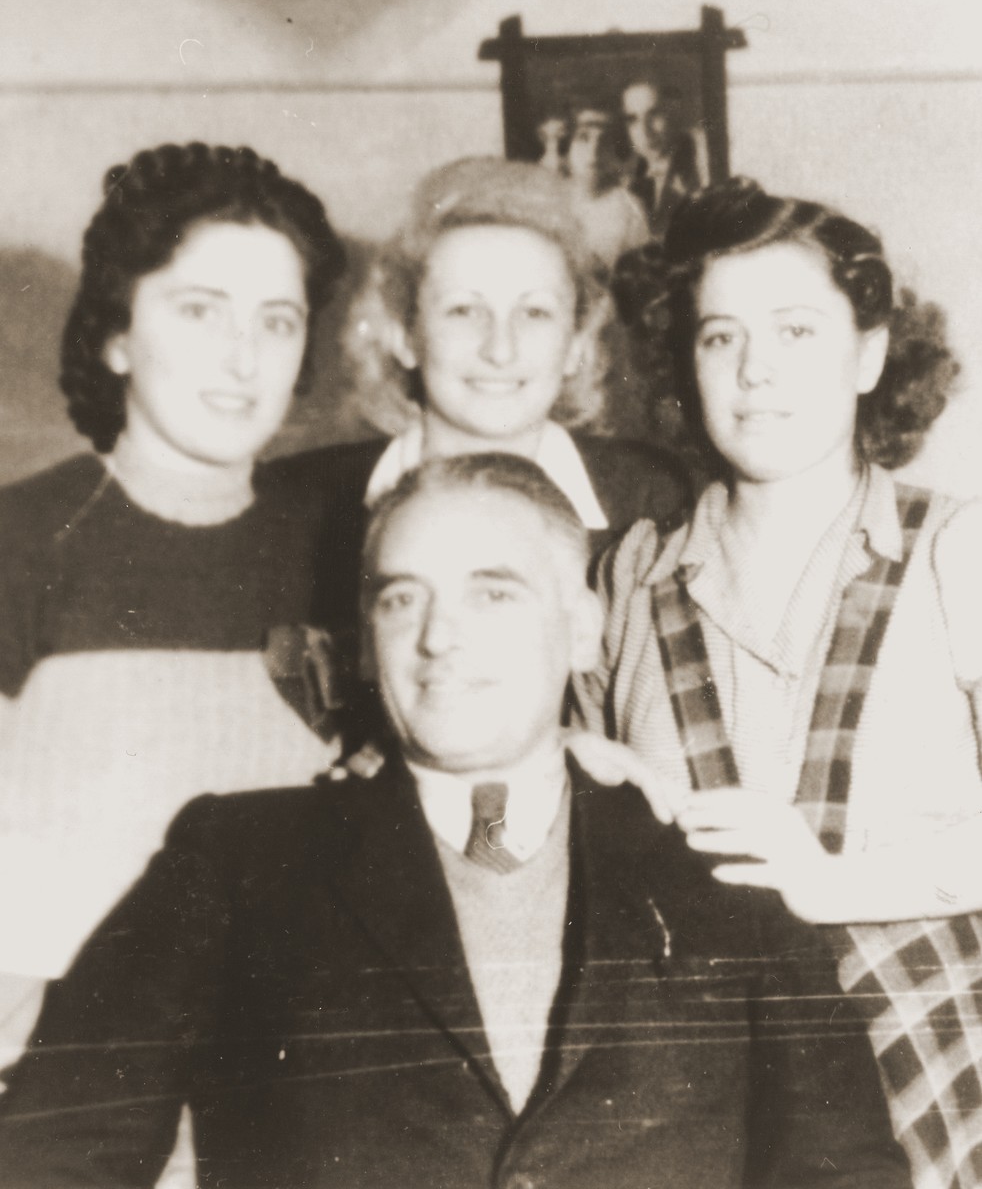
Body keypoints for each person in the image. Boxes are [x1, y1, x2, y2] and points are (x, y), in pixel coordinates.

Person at [0, 453, 912, 1188]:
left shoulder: (727, 888)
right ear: (366, 639)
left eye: (493, 591)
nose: (440, 637)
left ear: (586, 627)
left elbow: (848, 1176)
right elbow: (52, 1155)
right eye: (402, 597)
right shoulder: (237, 862)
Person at [578, 178, 978, 1187]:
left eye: (796, 331)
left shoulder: (957, 551)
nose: (755, 371)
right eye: (720, 336)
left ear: (872, 353)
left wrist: (836, 883)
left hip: (939, 1094)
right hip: (702, 1116)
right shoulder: (625, 578)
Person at [0, 143, 362, 1147]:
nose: (243, 358)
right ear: (116, 333)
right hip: (61, 1112)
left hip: (295, 1112)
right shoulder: (18, 541)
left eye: (276, 321)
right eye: (198, 310)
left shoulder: (353, 549)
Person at [335, 155, 692, 555]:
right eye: (464, 311)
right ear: (404, 335)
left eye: (535, 312)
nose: (500, 350)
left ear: (577, 343)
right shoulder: (307, 510)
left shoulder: (650, 499)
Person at [562, 106, 650, 268]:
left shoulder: (630, 210)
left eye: (604, 141)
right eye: (583, 138)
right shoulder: (549, 202)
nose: (594, 151)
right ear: (568, 150)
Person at [621, 80, 703, 238]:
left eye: (654, 115)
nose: (645, 131)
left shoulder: (700, 166)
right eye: (633, 119)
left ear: (675, 113)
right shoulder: (628, 179)